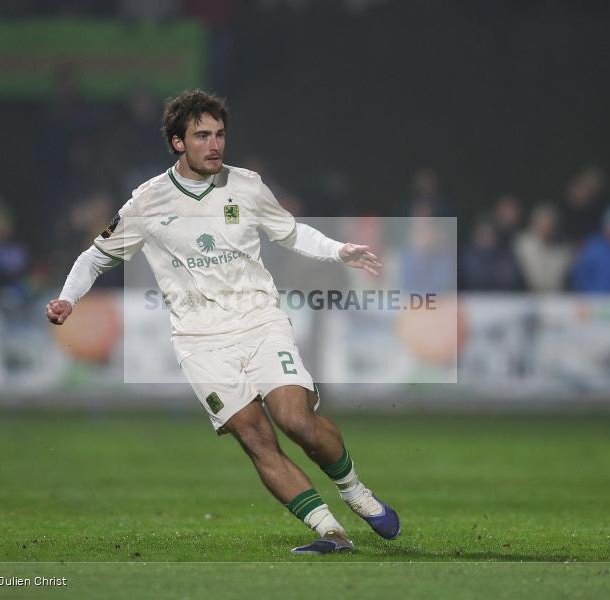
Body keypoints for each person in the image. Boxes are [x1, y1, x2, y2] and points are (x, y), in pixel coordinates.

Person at [46, 90, 398, 555]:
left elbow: (290, 232)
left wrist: (339, 249)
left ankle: (356, 491)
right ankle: (330, 533)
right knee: (255, 438)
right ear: (178, 143)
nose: (215, 145)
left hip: (259, 321)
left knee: (294, 418)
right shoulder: (147, 202)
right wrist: (68, 298)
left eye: (219, 135)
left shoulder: (247, 186)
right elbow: (95, 257)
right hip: (199, 341)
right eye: (202, 136)